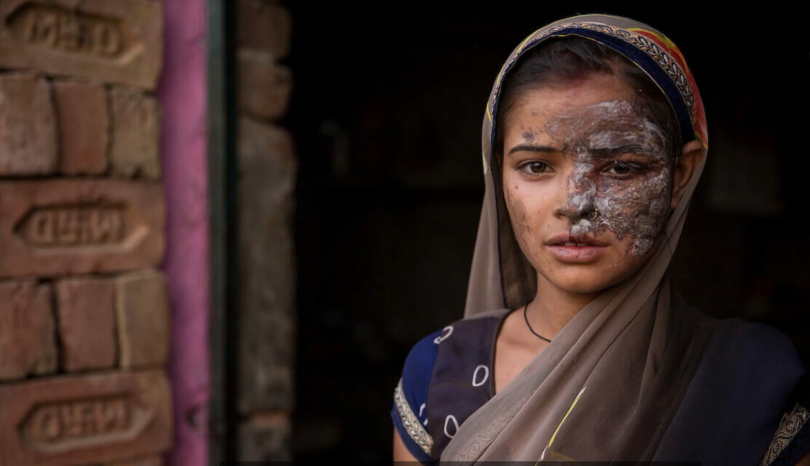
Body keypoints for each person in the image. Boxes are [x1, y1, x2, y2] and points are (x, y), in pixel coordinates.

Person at [390, 14, 810, 465]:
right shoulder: (439, 371)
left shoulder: (749, 378)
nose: (575, 203)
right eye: (535, 166)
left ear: (679, 177)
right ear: (498, 174)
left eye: (621, 167)